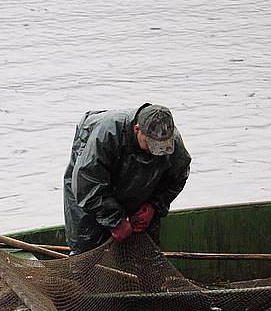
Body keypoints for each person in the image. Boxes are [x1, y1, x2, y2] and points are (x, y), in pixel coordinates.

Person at [63, 104, 191, 255]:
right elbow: (87, 185)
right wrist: (116, 222)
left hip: (139, 181)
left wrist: (154, 206)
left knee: (145, 247)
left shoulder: (172, 140)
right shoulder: (106, 135)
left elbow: (177, 178)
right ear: (137, 129)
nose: (156, 151)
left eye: (162, 146)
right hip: (89, 181)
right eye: (151, 145)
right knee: (87, 240)